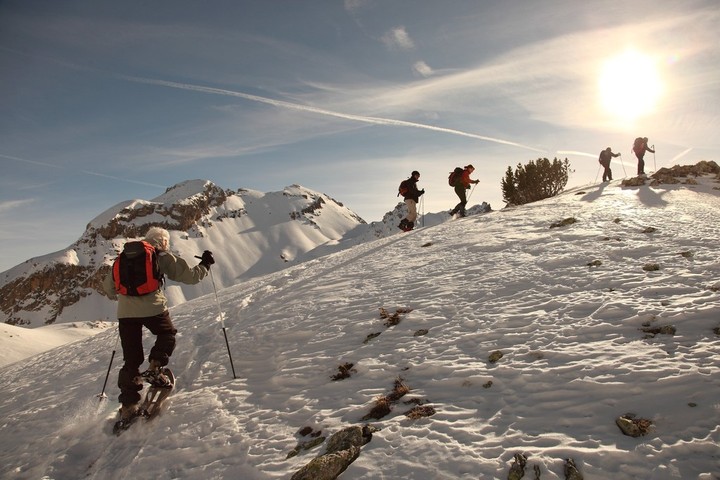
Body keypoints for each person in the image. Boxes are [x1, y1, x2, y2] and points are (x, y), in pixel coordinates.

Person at [103, 226, 215, 422]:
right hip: (153, 309)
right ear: (163, 242)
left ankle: (128, 406)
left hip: (126, 314)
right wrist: (205, 265)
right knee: (167, 334)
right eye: (166, 242)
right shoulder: (160, 255)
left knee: (131, 359)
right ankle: (155, 367)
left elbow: (108, 287)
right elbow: (189, 276)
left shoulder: (122, 259)